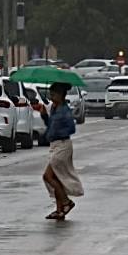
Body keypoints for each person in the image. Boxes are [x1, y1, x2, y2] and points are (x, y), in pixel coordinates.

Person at [42, 82, 84, 220]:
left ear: (61, 95)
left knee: (47, 176)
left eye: (53, 94)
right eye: (50, 94)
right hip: (54, 145)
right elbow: (50, 125)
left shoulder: (64, 110)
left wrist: (58, 130)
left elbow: (71, 128)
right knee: (55, 177)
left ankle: (66, 202)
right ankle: (59, 209)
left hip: (63, 145)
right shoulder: (54, 108)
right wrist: (44, 116)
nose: (51, 96)